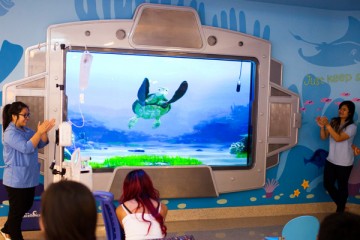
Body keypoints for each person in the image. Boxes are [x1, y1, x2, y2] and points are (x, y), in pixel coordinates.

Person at [1, 101, 55, 240]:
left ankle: (6, 229)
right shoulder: (9, 133)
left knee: (25, 206)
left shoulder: (27, 131)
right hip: (16, 180)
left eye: (28, 115)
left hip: (29, 178)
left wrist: (43, 133)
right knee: (17, 212)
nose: (27, 118)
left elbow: (42, 142)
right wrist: (39, 132)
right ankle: (14, 235)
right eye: (24, 115)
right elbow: (26, 148)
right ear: (14, 116)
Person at [316, 100, 357, 212]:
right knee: (327, 184)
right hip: (331, 160)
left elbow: (338, 138)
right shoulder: (334, 121)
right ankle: (343, 207)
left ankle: (340, 212)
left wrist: (327, 125)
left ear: (350, 112)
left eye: (344, 109)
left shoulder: (352, 127)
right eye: (340, 108)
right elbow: (324, 137)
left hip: (344, 162)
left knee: (342, 187)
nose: (341, 111)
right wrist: (322, 127)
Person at [115, 169, 168, 240]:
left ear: (127, 187)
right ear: (149, 185)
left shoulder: (121, 209)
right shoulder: (163, 207)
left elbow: (126, 229)